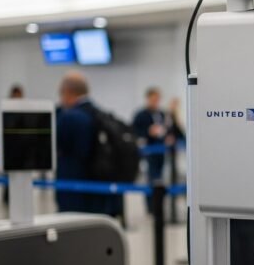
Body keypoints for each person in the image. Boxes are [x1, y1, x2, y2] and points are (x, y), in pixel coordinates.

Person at [55, 71, 118, 216]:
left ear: (67, 92)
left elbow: (59, 146)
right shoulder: (99, 113)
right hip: (97, 188)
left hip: (73, 190)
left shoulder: (69, 117)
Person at [133, 87, 170, 212]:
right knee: (151, 179)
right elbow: (134, 131)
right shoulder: (140, 115)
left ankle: (159, 206)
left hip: (161, 151)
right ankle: (151, 207)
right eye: (153, 99)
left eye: (157, 99)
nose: (155, 102)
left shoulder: (162, 114)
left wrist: (168, 136)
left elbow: (168, 129)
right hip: (149, 152)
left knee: (160, 179)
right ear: (148, 99)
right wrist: (148, 132)